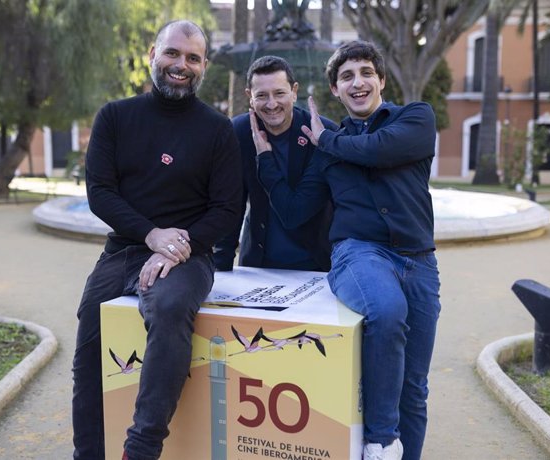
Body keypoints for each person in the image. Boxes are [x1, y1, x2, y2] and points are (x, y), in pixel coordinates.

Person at [255, 40, 441, 460]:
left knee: (414, 387)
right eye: (346, 77)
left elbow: (380, 150)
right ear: (335, 91)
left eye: (365, 73)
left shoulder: (414, 119)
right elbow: (294, 209)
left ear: (381, 81)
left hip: (420, 261)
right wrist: (266, 161)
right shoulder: (328, 145)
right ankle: (379, 442)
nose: (357, 83)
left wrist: (328, 142)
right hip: (359, 256)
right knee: (386, 311)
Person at [71, 20, 242, 460]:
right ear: (153, 54)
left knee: (168, 309)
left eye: (192, 58)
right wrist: (151, 235)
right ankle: (87, 453)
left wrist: (177, 246)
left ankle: (140, 449)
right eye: (172, 53)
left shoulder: (217, 130)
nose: (180, 65)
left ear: (203, 66)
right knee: (90, 338)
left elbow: (227, 209)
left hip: (189, 258)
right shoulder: (114, 117)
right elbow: (100, 193)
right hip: (123, 251)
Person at [213, 55, 337, 272]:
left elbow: (298, 214)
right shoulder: (238, 132)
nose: (271, 104)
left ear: (294, 91)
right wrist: (220, 268)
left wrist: (266, 159)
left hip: (317, 266)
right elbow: (231, 204)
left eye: (279, 93)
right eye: (261, 95)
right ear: (249, 97)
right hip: (258, 265)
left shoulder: (322, 133)